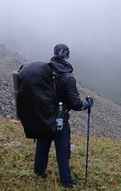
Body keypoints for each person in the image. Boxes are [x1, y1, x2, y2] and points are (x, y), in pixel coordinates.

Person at [34, 43, 93, 188]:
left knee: (43, 143)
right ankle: (66, 181)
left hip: (44, 115)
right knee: (62, 148)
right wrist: (87, 103)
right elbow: (76, 104)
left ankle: (39, 170)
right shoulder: (67, 78)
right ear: (67, 56)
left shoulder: (43, 71)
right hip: (60, 118)